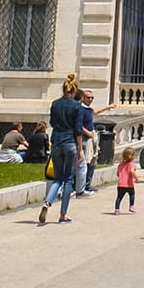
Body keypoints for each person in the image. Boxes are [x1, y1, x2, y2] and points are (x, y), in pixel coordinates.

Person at [40, 73, 84, 225]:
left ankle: (47, 202)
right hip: (70, 142)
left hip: (57, 142)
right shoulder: (77, 106)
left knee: (57, 178)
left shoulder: (55, 104)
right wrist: (80, 149)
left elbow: (52, 122)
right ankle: (63, 214)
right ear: (75, 90)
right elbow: (78, 129)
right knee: (68, 179)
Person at [75, 89, 97, 195]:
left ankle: (86, 185)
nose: (91, 99)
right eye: (88, 97)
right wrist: (87, 132)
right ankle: (82, 187)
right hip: (84, 138)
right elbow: (78, 123)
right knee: (84, 164)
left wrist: (108, 107)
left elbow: (95, 111)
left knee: (92, 162)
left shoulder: (88, 109)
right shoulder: (80, 109)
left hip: (89, 138)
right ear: (83, 98)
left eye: (92, 98)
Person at [114, 146, 138, 214]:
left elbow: (118, 174)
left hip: (120, 184)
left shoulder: (120, 165)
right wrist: (137, 178)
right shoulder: (132, 164)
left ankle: (117, 209)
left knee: (119, 197)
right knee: (132, 195)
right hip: (129, 184)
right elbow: (132, 171)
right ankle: (131, 206)